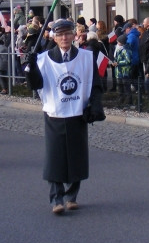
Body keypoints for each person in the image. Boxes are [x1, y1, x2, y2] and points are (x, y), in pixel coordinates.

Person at [26, 19, 104, 214]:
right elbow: (35, 84)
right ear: (54, 37)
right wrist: (31, 67)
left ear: (74, 35)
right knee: (56, 157)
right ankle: (56, 198)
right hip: (55, 114)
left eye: (68, 33)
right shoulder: (44, 59)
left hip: (78, 113)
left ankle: (72, 196)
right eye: (60, 34)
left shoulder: (86, 57)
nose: (64, 38)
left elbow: (96, 84)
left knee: (76, 156)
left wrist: (94, 105)